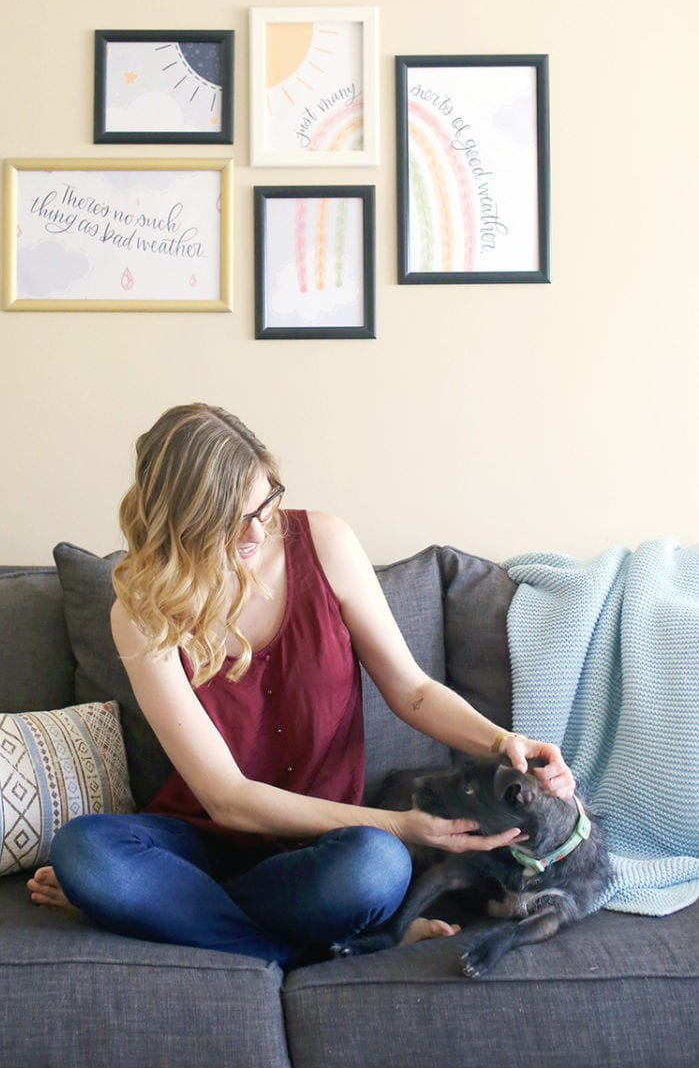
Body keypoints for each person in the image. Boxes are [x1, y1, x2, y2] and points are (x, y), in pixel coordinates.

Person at [28, 403, 574, 967]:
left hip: (322, 851)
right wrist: (403, 824)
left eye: (264, 502)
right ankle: (327, 948)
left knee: (376, 867)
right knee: (86, 851)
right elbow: (227, 799)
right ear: (181, 518)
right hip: (200, 846)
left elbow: (411, 690)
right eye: (229, 517)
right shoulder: (141, 609)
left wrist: (500, 740)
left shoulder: (325, 542)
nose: (257, 529)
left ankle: (167, 915)